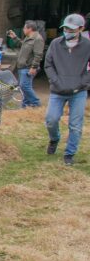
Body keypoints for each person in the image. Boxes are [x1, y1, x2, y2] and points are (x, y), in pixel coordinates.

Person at [44, 13, 90, 166]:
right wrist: (55, 81)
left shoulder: (87, 45)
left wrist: (83, 82)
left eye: (71, 29)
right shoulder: (55, 44)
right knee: (51, 120)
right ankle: (54, 138)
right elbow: (48, 65)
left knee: (75, 125)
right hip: (57, 90)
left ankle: (69, 153)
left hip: (79, 91)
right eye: (65, 29)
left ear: (81, 29)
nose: (67, 32)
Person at [11, 20, 45, 108]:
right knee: (24, 87)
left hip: (28, 67)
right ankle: (25, 105)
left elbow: (38, 55)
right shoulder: (29, 37)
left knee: (24, 86)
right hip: (22, 66)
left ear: (30, 29)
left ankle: (36, 103)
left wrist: (34, 67)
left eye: (24, 28)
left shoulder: (37, 39)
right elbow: (23, 45)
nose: (23, 30)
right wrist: (15, 38)